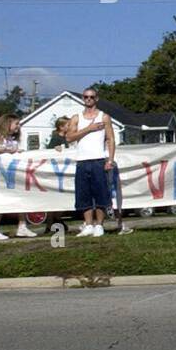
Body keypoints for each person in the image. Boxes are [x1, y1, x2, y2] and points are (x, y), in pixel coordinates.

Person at [0, 114, 39, 241]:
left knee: (21, 198)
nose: (18, 126)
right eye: (16, 124)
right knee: (0, 201)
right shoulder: (0, 137)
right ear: (7, 124)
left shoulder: (12, 139)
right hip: (1, 175)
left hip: (14, 174)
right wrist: (6, 150)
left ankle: (22, 226)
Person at [68, 87, 115, 238]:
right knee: (83, 194)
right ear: (83, 98)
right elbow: (69, 137)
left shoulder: (104, 117)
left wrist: (110, 159)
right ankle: (88, 225)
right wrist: (89, 128)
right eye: (86, 97)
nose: (88, 99)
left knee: (101, 194)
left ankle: (99, 225)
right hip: (82, 161)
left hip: (98, 160)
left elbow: (110, 139)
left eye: (91, 97)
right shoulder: (76, 118)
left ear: (96, 99)